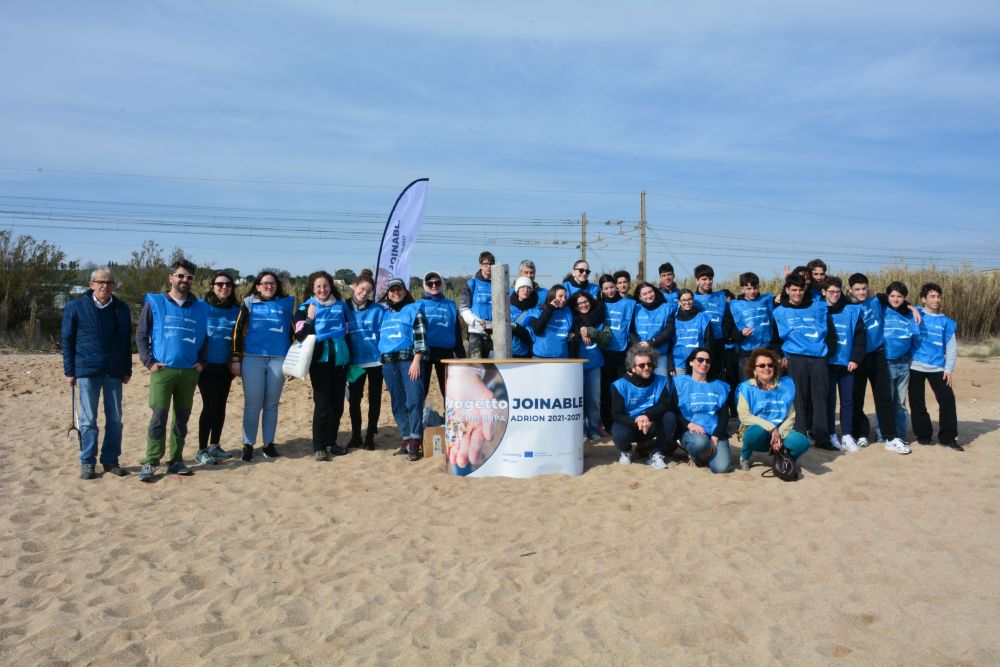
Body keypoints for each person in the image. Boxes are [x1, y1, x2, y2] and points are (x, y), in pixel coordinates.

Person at [135, 259, 209, 482]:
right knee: (159, 416)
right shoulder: (156, 302)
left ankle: (176, 460)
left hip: (189, 371)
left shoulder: (200, 307)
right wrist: (149, 362)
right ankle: (151, 460)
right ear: (171, 278)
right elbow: (141, 334)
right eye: (180, 276)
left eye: (189, 277)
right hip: (163, 370)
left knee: (182, 418)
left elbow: (206, 337)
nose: (185, 280)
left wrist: (201, 362)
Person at [61, 267, 133, 479]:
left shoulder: (121, 308)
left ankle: (110, 460)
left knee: (115, 419)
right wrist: (70, 371)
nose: (105, 286)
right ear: (91, 284)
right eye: (100, 282)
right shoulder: (76, 307)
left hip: (114, 370)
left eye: (109, 282)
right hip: (86, 369)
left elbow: (126, 341)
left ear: (114, 286)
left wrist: (127, 368)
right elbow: (67, 340)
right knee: (88, 419)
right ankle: (87, 462)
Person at [231, 270, 295, 462]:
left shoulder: (285, 304)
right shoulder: (249, 303)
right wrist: (236, 358)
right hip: (253, 359)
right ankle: (248, 444)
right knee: (252, 404)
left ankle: (268, 444)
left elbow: (294, 332)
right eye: (265, 283)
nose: (269, 286)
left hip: (278, 359)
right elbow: (237, 330)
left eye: (272, 283)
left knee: (271, 405)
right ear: (258, 286)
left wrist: (295, 362)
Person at [772, 273, 837, 451]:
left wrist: (827, 354)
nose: (797, 293)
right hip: (795, 358)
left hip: (818, 358)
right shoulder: (779, 311)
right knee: (798, 399)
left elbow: (830, 333)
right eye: (793, 290)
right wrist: (780, 357)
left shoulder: (819, 307)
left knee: (820, 399)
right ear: (787, 290)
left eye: (800, 290)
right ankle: (800, 436)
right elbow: (775, 339)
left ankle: (822, 438)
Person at [294, 270, 351, 462]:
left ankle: (331, 442)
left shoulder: (341, 306)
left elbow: (349, 331)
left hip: (340, 361)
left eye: (325, 285)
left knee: (338, 405)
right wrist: (310, 318)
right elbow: (300, 336)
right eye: (318, 286)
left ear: (331, 286)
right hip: (319, 362)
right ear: (312, 288)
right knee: (322, 405)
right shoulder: (305, 307)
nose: (322, 289)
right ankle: (319, 446)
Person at [848, 273, 907, 451]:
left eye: (864, 288)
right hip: (857, 358)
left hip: (878, 355)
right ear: (850, 289)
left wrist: (911, 308)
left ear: (868, 288)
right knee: (857, 397)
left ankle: (890, 437)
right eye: (857, 289)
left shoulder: (877, 301)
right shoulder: (846, 306)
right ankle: (861, 434)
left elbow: (898, 302)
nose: (861, 292)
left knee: (884, 397)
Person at [736, 347, 810, 474]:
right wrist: (772, 428)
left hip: (780, 432)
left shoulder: (784, 387)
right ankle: (745, 456)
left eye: (770, 365)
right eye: (762, 365)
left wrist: (778, 434)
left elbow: (791, 415)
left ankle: (786, 458)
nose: (767, 368)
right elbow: (744, 416)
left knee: (802, 442)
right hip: (759, 432)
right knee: (755, 432)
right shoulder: (746, 387)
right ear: (754, 370)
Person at [380, 278, 428, 461]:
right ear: (388, 294)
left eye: (399, 289)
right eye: (392, 290)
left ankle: (416, 439)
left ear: (404, 291)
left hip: (409, 362)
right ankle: (406, 438)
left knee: (414, 400)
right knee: (397, 403)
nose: (395, 292)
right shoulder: (385, 314)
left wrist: (417, 361)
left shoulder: (414, 310)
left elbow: (421, 339)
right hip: (388, 363)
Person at [195, 271, 240, 465]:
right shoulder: (201, 306)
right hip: (206, 365)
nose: (224, 287)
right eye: (220, 284)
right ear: (212, 286)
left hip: (225, 366)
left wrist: (237, 360)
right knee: (209, 405)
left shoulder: (237, 309)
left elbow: (240, 337)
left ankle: (214, 446)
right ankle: (201, 450)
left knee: (221, 406)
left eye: (228, 284)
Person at [610, 345, 678, 470]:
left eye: (649, 364)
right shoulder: (620, 385)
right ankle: (626, 450)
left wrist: (647, 416)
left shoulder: (660, 381)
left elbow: (664, 404)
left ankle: (656, 452)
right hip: (631, 425)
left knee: (670, 417)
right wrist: (637, 421)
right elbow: (616, 414)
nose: (646, 367)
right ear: (632, 368)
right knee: (619, 434)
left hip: (651, 424)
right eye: (641, 365)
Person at [909, 282, 959, 450]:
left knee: (947, 400)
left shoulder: (947, 322)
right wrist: (911, 308)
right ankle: (923, 435)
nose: (936, 300)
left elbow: (951, 348)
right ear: (923, 299)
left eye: (938, 296)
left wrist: (948, 369)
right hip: (915, 365)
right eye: (932, 296)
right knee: (917, 402)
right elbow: (896, 303)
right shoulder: (916, 313)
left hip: (938, 367)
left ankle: (948, 437)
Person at [824, 276, 866, 452]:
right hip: (827, 364)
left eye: (837, 291)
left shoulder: (851, 310)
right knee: (829, 401)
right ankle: (831, 434)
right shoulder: (819, 309)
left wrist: (855, 358)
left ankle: (847, 435)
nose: (834, 295)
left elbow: (860, 336)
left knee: (848, 400)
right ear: (824, 292)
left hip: (846, 363)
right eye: (831, 292)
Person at [674, 347, 732, 473]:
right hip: (692, 430)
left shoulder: (719, 386)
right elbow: (674, 410)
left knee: (721, 468)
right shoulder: (680, 383)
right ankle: (694, 453)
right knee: (700, 443)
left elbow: (724, 415)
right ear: (691, 362)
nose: (704, 363)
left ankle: (704, 454)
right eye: (700, 360)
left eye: (707, 361)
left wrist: (716, 436)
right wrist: (689, 424)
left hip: (714, 432)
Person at [345, 270, 383, 450]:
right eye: (362, 289)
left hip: (376, 361)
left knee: (374, 399)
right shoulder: (343, 307)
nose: (364, 293)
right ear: (354, 286)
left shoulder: (377, 309)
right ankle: (356, 436)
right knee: (354, 400)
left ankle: (369, 437)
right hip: (354, 363)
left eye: (368, 291)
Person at [882, 281, 922, 445]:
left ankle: (900, 435)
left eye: (899, 296)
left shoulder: (911, 314)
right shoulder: (882, 310)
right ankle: (883, 434)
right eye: (892, 296)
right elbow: (872, 295)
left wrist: (912, 308)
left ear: (905, 297)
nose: (895, 299)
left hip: (904, 364)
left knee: (900, 403)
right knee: (886, 401)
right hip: (886, 363)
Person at [568, 290, 611, 439]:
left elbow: (607, 340)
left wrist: (591, 331)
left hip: (594, 365)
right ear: (575, 306)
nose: (584, 305)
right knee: (578, 400)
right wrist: (574, 335)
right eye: (580, 303)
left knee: (594, 400)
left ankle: (593, 428)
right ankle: (581, 431)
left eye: (586, 301)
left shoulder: (598, 319)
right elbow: (565, 336)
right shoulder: (572, 321)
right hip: (576, 366)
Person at [419, 271, 465, 398]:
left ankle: (449, 412)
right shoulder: (418, 304)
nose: (434, 285)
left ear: (442, 284)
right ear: (425, 285)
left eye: (437, 282)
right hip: (424, 352)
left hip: (445, 353)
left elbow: (457, 332)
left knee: (449, 392)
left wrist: (462, 357)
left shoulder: (450, 305)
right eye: (430, 283)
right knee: (421, 391)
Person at [599, 273, 636, 432]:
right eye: (606, 288)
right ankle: (607, 423)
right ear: (602, 290)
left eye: (612, 287)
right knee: (606, 390)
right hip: (604, 353)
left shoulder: (629, 303)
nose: (610, 290)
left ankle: (623, 421)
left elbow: (632, 327)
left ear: (616, 287)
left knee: (622, 388)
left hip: (622, 352)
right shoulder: (600, 304)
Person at [728, 272, 775, 379]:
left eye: (755, 288)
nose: (752, 291)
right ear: (742, 288)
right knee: (748, 384)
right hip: (747, 353)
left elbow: (787, 297)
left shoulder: (767, 300)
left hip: (766, 351)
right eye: (748, 288)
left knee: (767, 383)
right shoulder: (735, 305)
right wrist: (741, 334)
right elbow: (730, 332)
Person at [629, 281, 677, 378]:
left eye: (650, 292)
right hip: (640, 356)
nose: (648, 295)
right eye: (644, 294)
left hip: (660, 355)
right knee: (642, 383)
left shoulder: (667, 308)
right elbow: (631, 331)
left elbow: (669, 331)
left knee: (661, 383)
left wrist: (651, 343)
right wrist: (637, 345)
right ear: (639, 297)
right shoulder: (635, 309)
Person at [662, 288, 713, 376]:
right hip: (679, 363)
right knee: (680, 385)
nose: (687, 302)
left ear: (693, 300)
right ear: (679, 302)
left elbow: (708, 340)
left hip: (698, 363)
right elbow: (670, 344)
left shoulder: (702, 317)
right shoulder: (673, 319)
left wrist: (706, 360)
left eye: (690, 299)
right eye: (684, 300)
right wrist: (671, 365)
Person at [692, 264, 729, 381]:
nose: (708, 282)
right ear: (697, 280)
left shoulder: (720, 297)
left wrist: (725, 335)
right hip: (698, 343)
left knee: (715, 376)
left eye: (710, 279)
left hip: (717, 343)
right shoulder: (691, 298)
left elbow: (727, 319)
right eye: (704, 279)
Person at [459, 251, 495, 358]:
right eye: (486, 263)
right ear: (480, 265)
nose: (489, 266)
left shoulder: (499, 284)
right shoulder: (472, 283)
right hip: (476, 332)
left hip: (495, 333)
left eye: (491, 264)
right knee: (476, 365)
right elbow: (463, 308)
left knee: (494, 366)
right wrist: (475, 321)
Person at [528, 285, 574, 359]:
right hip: (541, 356)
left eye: (565, 297)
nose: (563, 299)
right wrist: (550, 308)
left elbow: (572, 328)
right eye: (560, 296)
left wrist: (572, 335)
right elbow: (537, 330)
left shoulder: (568, 311)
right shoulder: (537, 311)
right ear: (552, 296)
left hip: (562, 356)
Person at [509, 276, 540, 359]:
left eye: (528, 287)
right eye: (522, 287)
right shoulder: (507, 308)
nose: (526, 290)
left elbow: (530, 336)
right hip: (502, 351)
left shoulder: (534, 311)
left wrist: (515, 327)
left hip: (522, 353)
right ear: (517, 289)